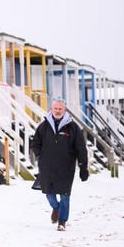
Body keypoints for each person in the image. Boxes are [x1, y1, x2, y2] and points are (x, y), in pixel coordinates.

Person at [31, 97, 89, 231]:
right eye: (55, 108)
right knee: (49, 194)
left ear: (64, 110)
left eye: (60, 109)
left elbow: (81, 148)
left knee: (64, 195)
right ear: (52, 109)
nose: (57, 111)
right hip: (47, 167)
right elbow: (35, 143)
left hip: (66, 167)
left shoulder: (73, 128)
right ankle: (56, 209)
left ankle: (62, 221)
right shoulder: (44, 126)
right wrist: (41, 155)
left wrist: (83, 167)